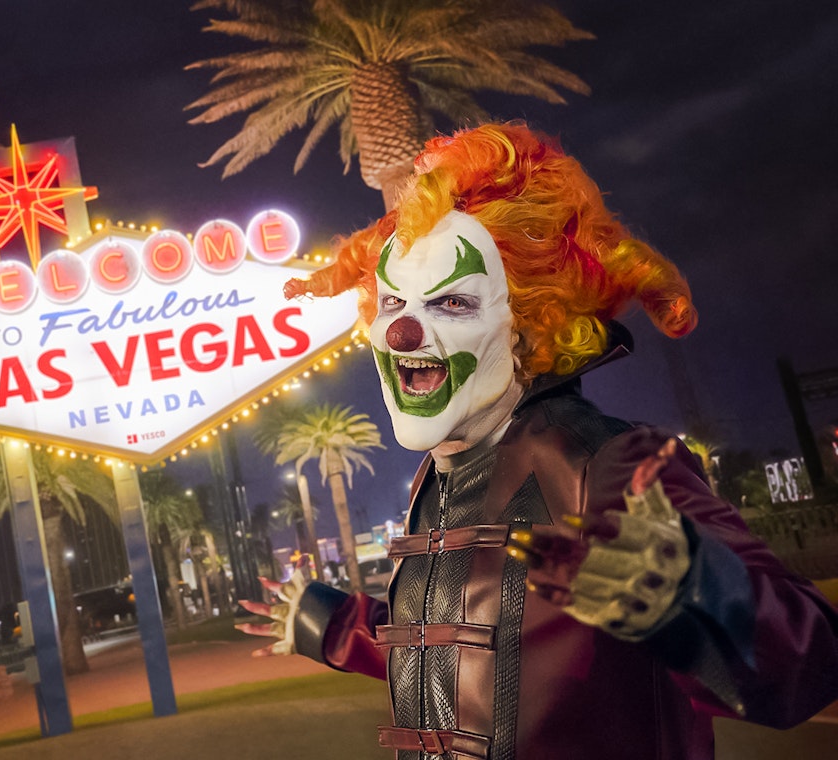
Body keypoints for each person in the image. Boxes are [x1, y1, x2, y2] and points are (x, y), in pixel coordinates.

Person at [239, 122, 838, 760]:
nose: (403, 333)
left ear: (529, 322)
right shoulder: (440, 478)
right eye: (392, 303)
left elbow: (809, 661)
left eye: (453, 305)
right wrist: (333, 626)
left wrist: (687, 587)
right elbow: (476, 650)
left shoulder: (603, 465)